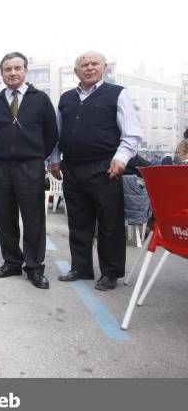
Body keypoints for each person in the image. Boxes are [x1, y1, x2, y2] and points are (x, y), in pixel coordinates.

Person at [52, 50, 142, 291]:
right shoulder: (66, 98)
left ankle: (110, 272)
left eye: (94, 64)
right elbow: (57, 133)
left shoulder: (117, 94)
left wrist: (121, 158)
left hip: (105, 167)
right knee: (78, 221)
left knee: (109, 222)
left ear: (104, 68)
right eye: (84, 64)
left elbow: (131, 133)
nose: (89, 68)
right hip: (73, 166)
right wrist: (55, 159)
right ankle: (81, 268)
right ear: (76, 71)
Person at [0, 52, 58, 290]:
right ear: (2, 73)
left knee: (33, 218)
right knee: (5, 216)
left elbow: (51, 134)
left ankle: (35, 267)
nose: (13, 73)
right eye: (8, 69)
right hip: (1, 167)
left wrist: (36, 155)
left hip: (31, 166)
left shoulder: (40, 99)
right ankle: (12, 262)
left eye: (17, 68)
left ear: (25, 71)